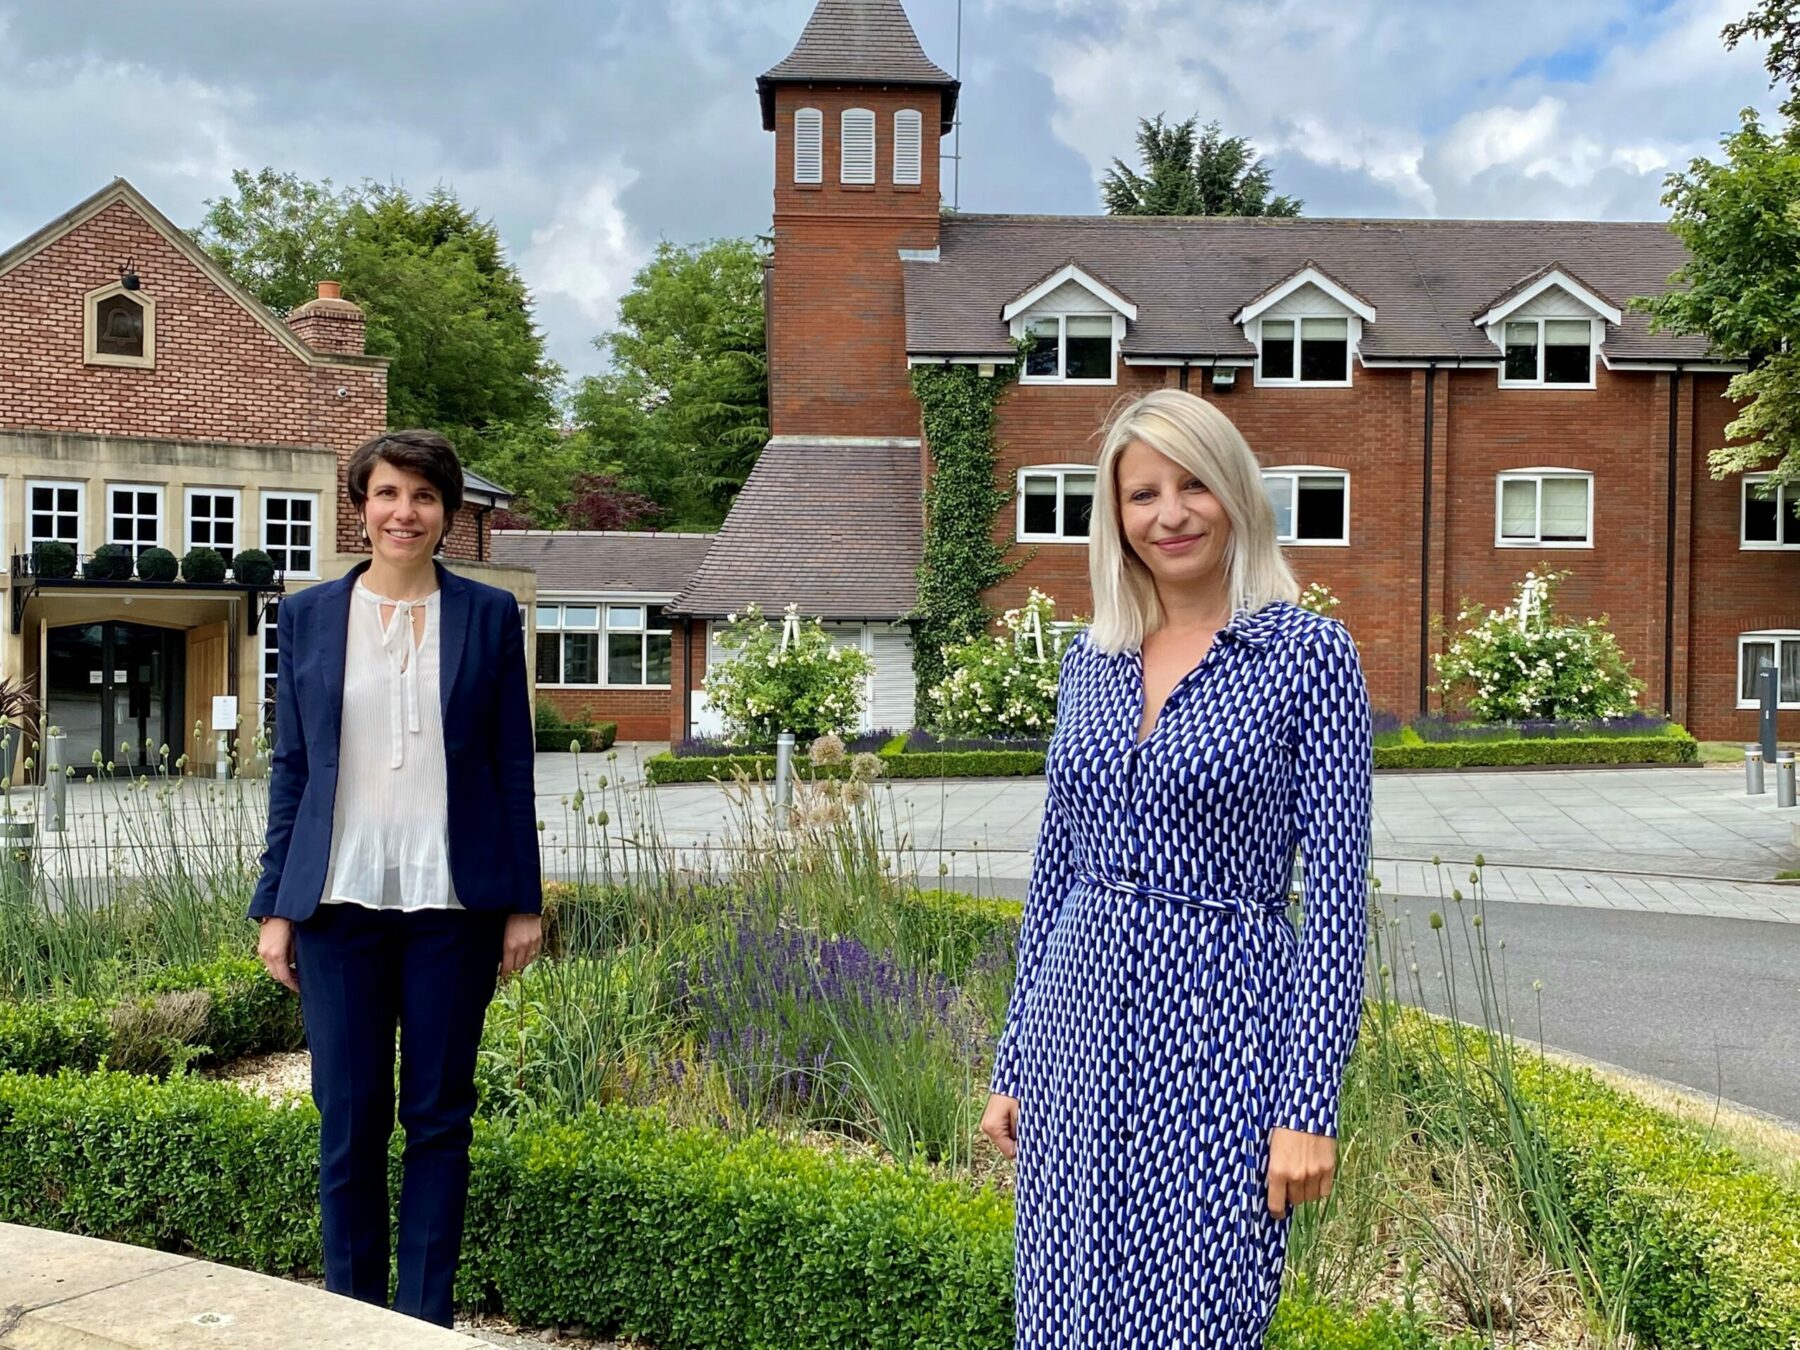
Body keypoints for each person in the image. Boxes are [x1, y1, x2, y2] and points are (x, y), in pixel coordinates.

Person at [978, 389, 1372, 1347]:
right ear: (1116, 517)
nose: (1171, 514)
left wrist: (1306, 1107)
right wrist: (1015, 1061)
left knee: (1201, 1305)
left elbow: (1336, 902)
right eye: (1142, 493)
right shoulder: (1091, 659)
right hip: (1077, 1032)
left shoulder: (1309, 656)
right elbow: (1056, 871)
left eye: (1194, 485)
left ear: (1235, 493)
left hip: (1222, 1031)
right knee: (1068, 1302)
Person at [250, 428, 543, 1328]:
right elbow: (293, 768)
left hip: (455, 904)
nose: (403, 513)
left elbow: (510, 763)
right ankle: (354, 1322)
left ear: (448, 513)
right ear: (361, 506)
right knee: (349, 1120)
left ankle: (422, 1325)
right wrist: (274, 906)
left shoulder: (489, 616)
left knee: (439, 1118)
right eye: (386, 493)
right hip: (336, 904)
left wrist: (522, 901)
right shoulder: (307, 616)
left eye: (423, 496)